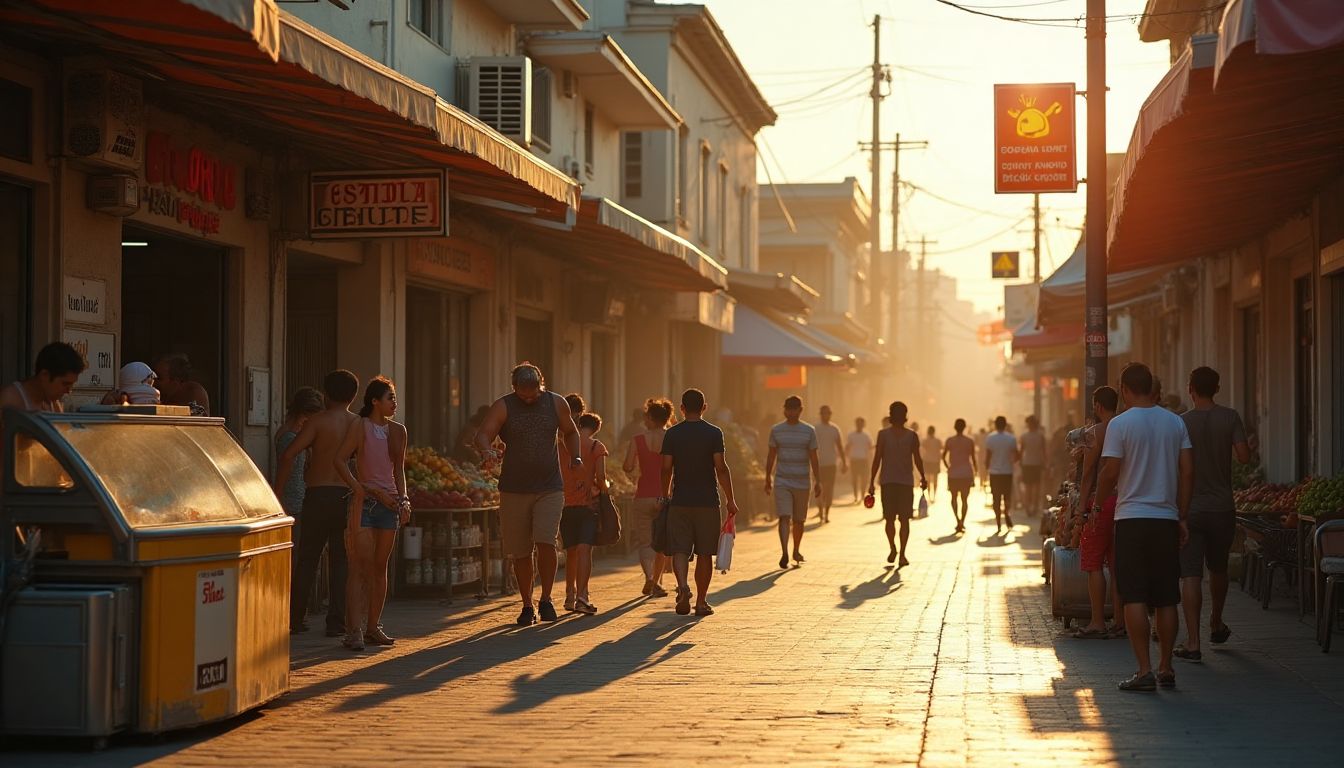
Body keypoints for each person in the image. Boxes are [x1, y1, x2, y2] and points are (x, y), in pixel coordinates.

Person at [1092, 362, 1193, 692]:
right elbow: (1188, 471)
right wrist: (1181, 515)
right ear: (1151, 386)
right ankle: (1166, 666)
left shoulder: (1120, 425)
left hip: (1131, 519)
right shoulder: (1175, 422)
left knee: (1133, 596)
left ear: (1123, 389)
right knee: (1166, 598)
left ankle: (1144, 669)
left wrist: (1097, 505)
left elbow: (1109, 472)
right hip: (1165, 518)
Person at [476, 363, 582, 626]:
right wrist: (487, 451)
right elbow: (483, 434)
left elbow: (570, 431)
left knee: (546, 541)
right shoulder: (504, 406)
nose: (528, 399)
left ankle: (546, 599)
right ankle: (527, 604)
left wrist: (576, 455)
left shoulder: (555, 403)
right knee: (520, 551)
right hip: (513, 488)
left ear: (540, 385)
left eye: (533, 394)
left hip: (549, 487)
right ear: (514, 388)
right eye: (523, 395)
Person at [276, 370, 360, 637]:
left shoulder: (317, 422)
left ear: (325, 394)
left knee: (308, 558)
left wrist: (277, 491)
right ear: (354, 396)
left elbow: (289, 454)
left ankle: (295, 618)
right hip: (345, 497)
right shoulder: (358, 424)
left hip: (316, 495)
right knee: (341, 561)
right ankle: (336, 623)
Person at [1175, 366, 1251, 661]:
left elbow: (1175, 465)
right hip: (1222, 507)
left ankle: (1193, 643)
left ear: (1190, 389)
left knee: (1190, 574)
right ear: (1216, 388)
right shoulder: (1230, 417)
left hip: (1190, 509)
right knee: (1218, 568)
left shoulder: (1180, 423)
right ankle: (1216, 622)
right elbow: (1244, 458)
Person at [334, 376, 411, 651]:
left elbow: (399, 469)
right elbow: (340, 459)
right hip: (364, 503)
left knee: (380, 568)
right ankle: (353, 630)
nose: (394, 402)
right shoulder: (360, 425)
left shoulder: (398, 431)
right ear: (374, 401)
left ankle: (373, 626)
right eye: (389, 397)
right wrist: (358, 488)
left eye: (395, 397)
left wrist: (404, 500)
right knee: (358, 566)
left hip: (389, 504)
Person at [660, 388, 740, 617]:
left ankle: (683, 586)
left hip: (680, 501)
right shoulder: (714, 433)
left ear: (682, 408)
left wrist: (664, 495)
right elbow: (721, 468)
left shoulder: (672, 434)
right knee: (705, 553)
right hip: (707, 502)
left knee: (680, 549)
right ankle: (701, 602)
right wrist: (730, 499)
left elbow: (666, 468)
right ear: (705, 407)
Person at [1071, 386, 1124, 640]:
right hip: (1125, 501)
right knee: (1117, 564)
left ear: (1098, 406)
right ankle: (1121, 621)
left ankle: (1097, 621)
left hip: (1101, 502)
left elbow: (1089, 473)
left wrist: (1082, 508)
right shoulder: (1126, 427)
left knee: (1093, 563)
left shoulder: (1095, 433)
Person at [624, 397, 674, 598]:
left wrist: (637, 469)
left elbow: (627, 466)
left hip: (642, 494)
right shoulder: (671, 439)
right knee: (661, 542)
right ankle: (656, 580)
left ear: (650, 417)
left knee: (645, 542)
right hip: (664, 496)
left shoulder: (637, 440)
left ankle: (649, 579)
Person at [560, 411, 608, 615]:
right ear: (596, 429)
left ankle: (569, 595)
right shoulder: (597, 447)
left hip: (564, 503)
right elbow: (601, 477)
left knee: (570, 551)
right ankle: (582, 596)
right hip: (587, 505)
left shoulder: (562, 445)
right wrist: (605, 487)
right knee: (584, 550)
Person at [765, 396, 821, 569]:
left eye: (794, 409)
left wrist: (818, 481)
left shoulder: (809, 431)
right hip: (782, 481)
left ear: (800, 410)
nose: (791, 412)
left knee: (799, 520)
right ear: (784, 410)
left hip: (803, 482)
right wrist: (768, 477)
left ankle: (796, 549)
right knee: (784, 516)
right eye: (788, 409)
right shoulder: (776, 430)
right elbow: (771, 455)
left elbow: (813, 457)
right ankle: (784, 552)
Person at [867, 401, 926, 567]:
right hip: (904, 483)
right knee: (903, 520)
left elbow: (877, 459)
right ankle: (900, 553)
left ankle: (896, 549)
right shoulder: (910, 435)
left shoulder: (884, 434)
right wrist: (922, 477)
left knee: (890, 519)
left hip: (890, 482)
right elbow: (918, 459)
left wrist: (872, 481)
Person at [274, 386, 325, 520]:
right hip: (292, 503)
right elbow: (284, 470)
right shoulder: (289, 438)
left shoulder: (294, 434)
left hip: (296, 500)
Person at [1, 342, 84, 415]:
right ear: (45, 375)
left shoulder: (54, 405)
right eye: (65, 384)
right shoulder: (10, 400)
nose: (69, 391)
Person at [941, 419, 977, 534]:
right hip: (966, 473)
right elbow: (973, 458)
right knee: (965, 499)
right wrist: (975, 472)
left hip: (953, 474)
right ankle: (962, 521)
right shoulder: (969, 441)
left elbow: (943, 456)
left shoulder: (950, 441)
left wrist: (948, 467)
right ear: (965, 427)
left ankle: (958, 520)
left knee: (954, 498)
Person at [813, 405, 846, 523]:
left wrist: (844, 462)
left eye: (828, 413)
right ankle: (820, 512)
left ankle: (826, 513)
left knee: (829, 489)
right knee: (819, 489)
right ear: (820, 414)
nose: (826, 415)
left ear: (830, 415)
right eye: (823, 413)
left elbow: (840, 446)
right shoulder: (815, 429)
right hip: (818, 463)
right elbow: (809, 447)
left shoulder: (834, 429)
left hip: (831, 463)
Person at [985, 416, 1019, 533]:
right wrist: (1011, 462)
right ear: (1005, 425)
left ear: (995, 424)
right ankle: (1006, 512)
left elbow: (987, 457)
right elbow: (1017, 455)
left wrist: (986, 468)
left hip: (994, 472)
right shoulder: (1011, 439)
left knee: (996, 498)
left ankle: (998, 522)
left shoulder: (990, 438)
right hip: (1007, 472)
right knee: (1007, 496)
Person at [1019, 415, 1048, 517]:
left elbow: (1021, 451)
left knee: (1029, 487)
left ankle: (1029, 507)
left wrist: (1020, 463)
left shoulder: (1024, 436)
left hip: (1028, 463)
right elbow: (1044, 452)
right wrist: (1045, 463)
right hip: (1036, 463)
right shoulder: (1040, 436)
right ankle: (1033, 507)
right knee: (1035, 487)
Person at [846, 417, 874, 503]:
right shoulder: (851, 435)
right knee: (854, 479)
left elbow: (870, 446)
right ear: (856, 424)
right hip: (854, 460)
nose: (859, 425)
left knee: (864, 479)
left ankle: (862, 495)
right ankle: (855, 495)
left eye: (861, 423)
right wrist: (845, 459)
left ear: (863, 425)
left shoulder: (866, 435)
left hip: (863, 460)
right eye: (858, 423)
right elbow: (847, 447)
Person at [921, 426, 943, 500]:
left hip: (927, 461)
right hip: (936, 461)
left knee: (928, 479)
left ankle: (930, 496)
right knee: (935, 479)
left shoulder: (925, 441)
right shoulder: (938, 441)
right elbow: (941, 448)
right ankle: (934, 496)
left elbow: (922, 449)